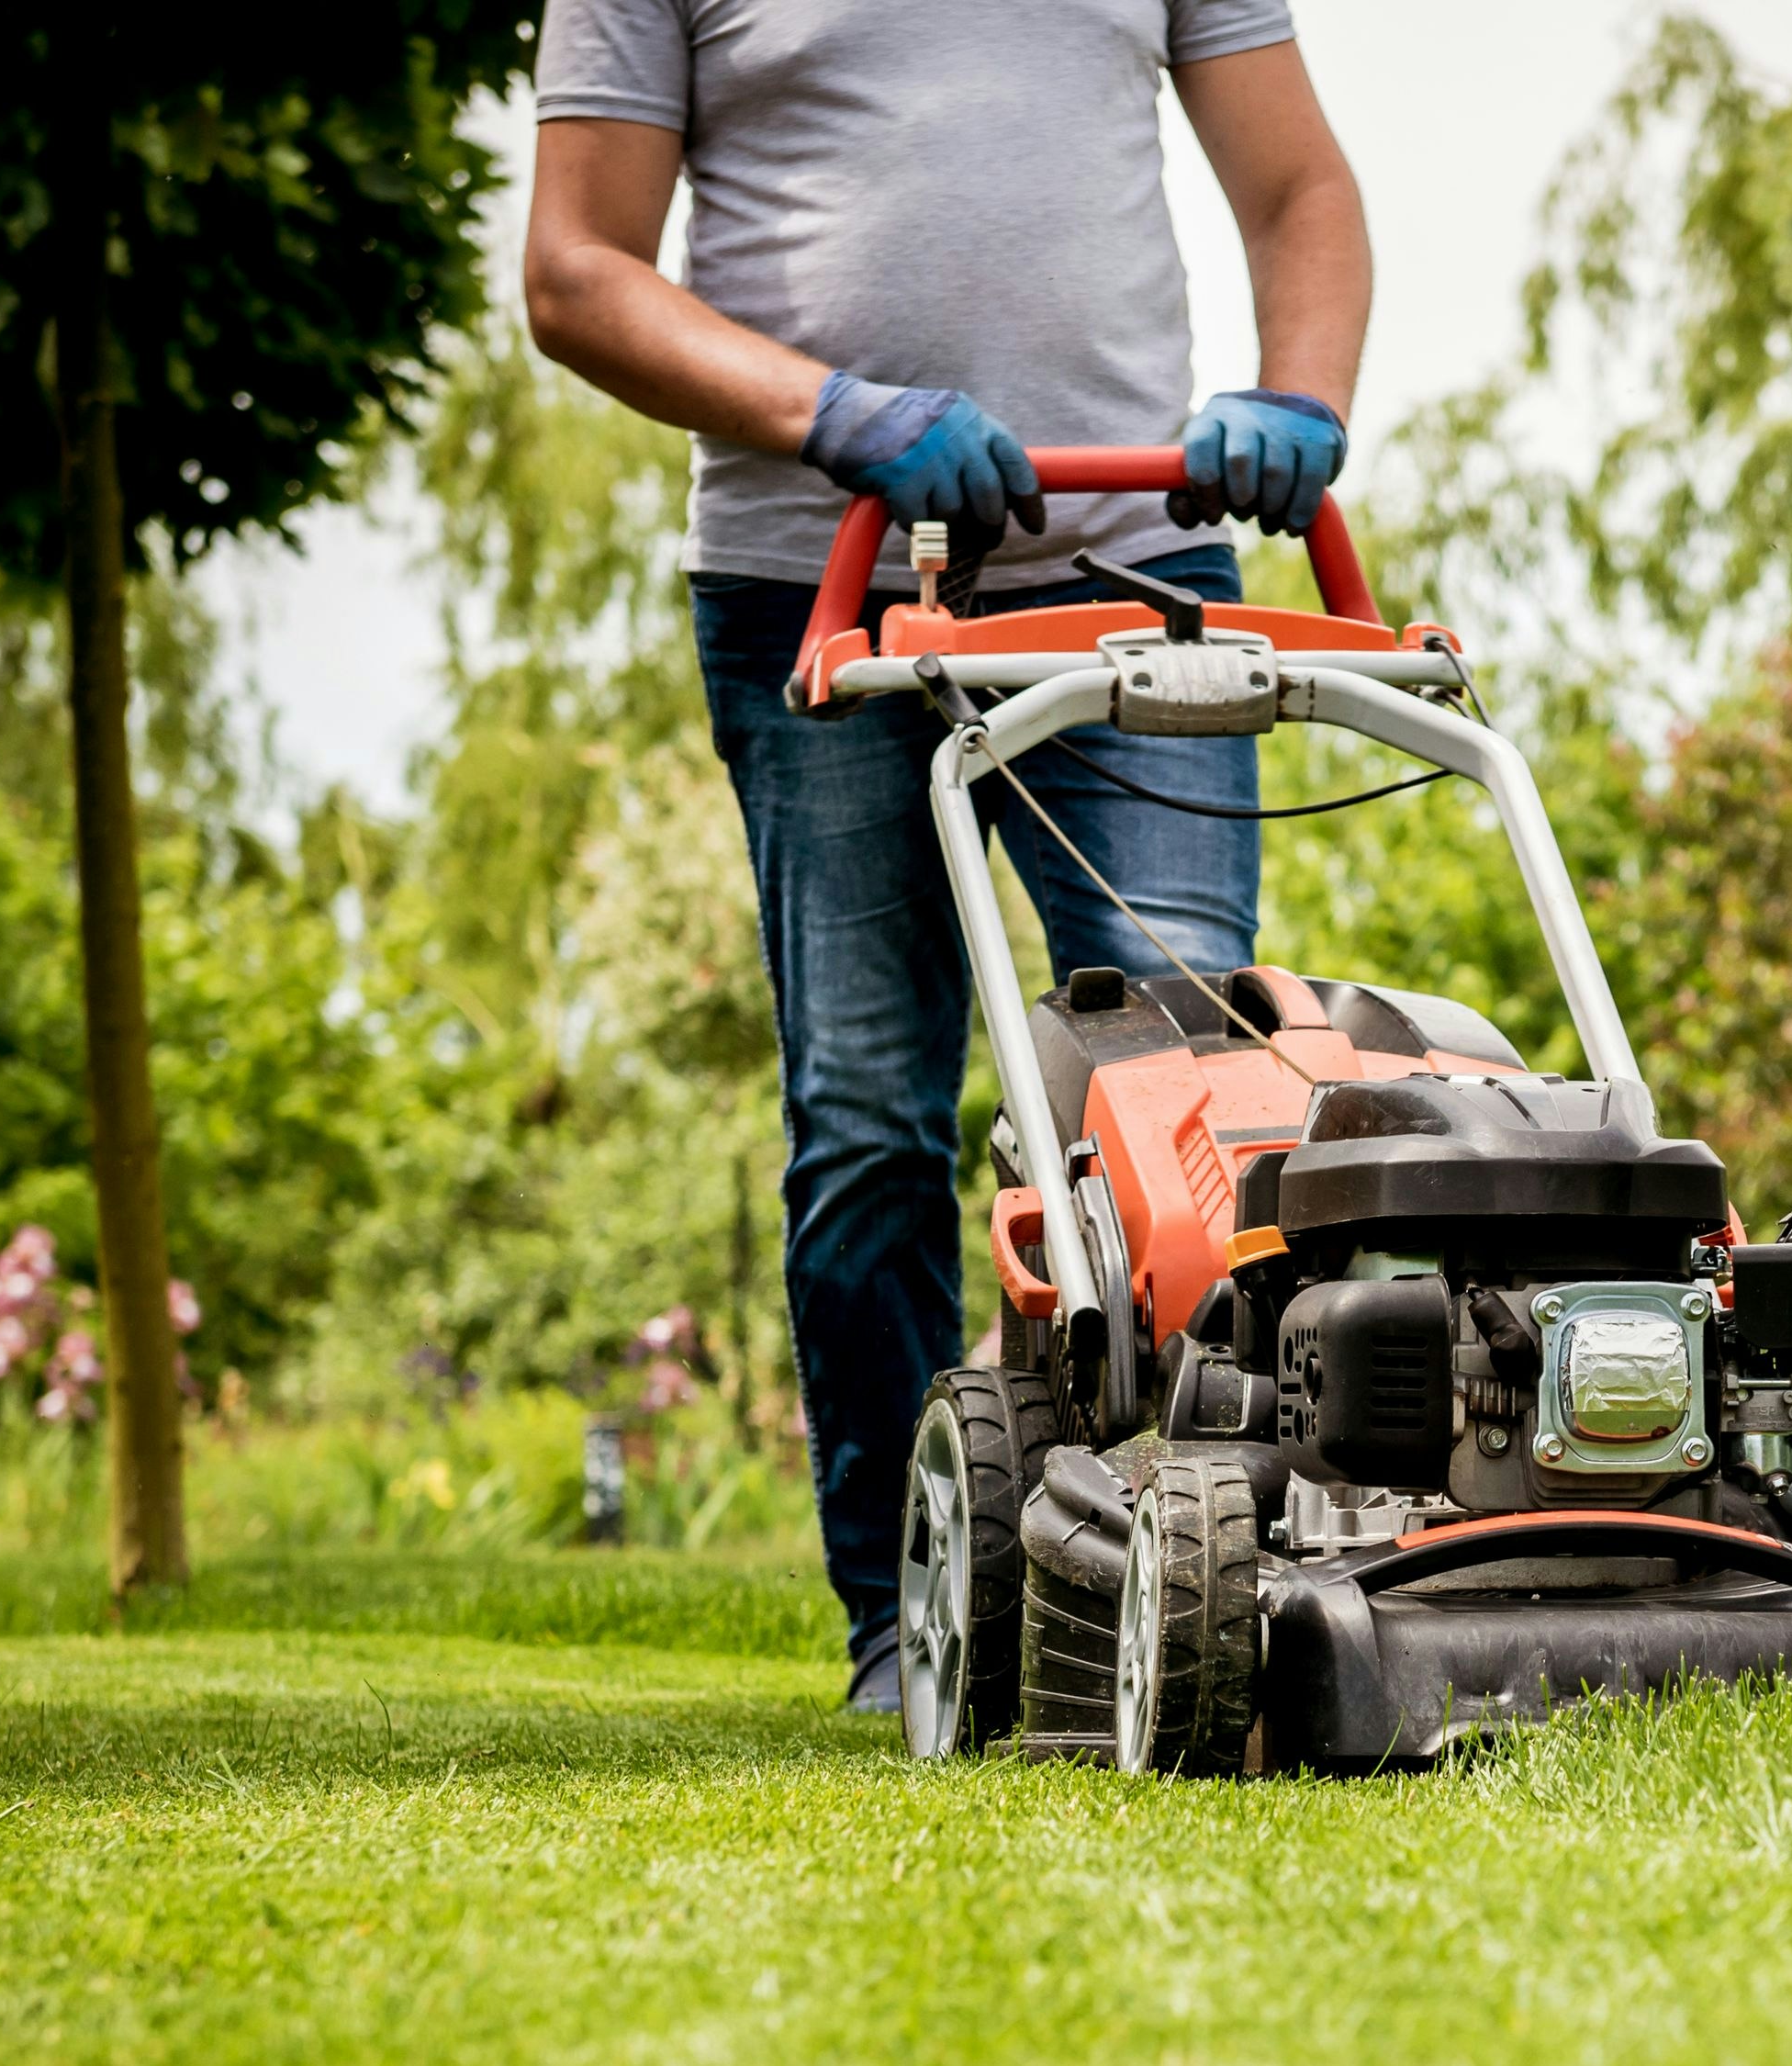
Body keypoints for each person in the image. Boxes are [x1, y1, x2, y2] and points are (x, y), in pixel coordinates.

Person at [522, 0, 1372, 1711]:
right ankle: (914, 1624)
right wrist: (827, 409)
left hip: (1135, 571)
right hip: (818, 574)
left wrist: (1298, 390)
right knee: (867, 1125)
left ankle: (1223, 1577)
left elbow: (1299, 193)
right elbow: (577, 271)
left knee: (1198, 1114)